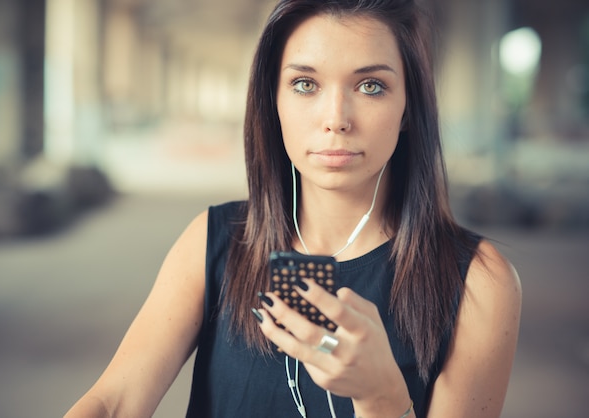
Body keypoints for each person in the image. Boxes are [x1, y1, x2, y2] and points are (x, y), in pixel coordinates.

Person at [65, 0, 522, 417]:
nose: (336, 118)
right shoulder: (215, 241)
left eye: (370, 85)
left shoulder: (480, 282)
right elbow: (115, 401)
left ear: (407, 109)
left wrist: (382, 398)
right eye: (305, 84)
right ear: (273, 102)